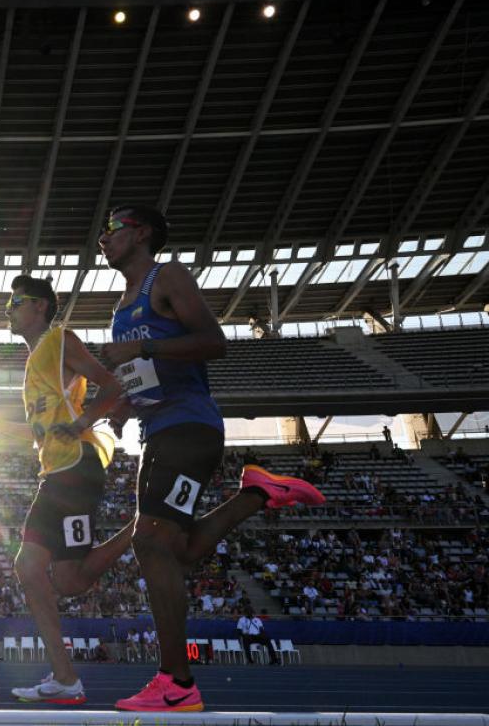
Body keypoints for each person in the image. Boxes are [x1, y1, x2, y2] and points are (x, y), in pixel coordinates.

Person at [97, 205, 324, 712]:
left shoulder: (168, 275)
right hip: (155, 432)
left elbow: (213, 342)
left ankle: (176, 683)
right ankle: (257, 493)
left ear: (143, 233)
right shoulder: (120, 308)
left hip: (190, 424)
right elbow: (142, 375)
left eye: (112, 229)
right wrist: (121, 408)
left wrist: (144, 347)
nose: (103, 239)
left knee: (150, 541)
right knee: (174, 549)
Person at [0, 274, 136, 705]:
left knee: (44, 573)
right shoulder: (33, 366)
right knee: (56, 576)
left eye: (16, 303)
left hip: (74, 469)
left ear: (41, 307)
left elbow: (114, 384)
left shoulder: (60, 341)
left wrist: (86, 422)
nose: (8, 310)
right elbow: (38, 432)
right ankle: (65, 678)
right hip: (57, 471)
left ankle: (142, 528)